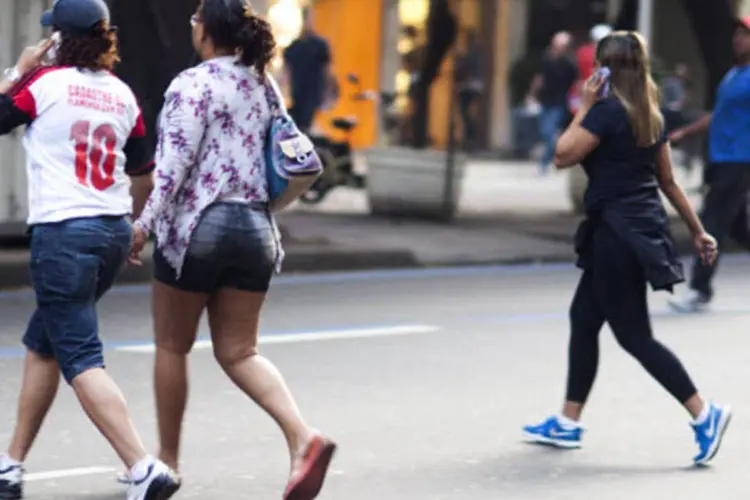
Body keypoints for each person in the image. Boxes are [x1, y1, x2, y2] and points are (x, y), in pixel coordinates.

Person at [127, 1, 337, 498]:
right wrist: (268, 207)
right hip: (256, 229)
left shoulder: (191, 84)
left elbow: (173, 168)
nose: (191, 25)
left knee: (172, 346)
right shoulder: (263, 85)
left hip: (199, 226)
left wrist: (143, 225)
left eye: (196, 19)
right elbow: (297, 156)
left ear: (206, 33)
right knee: (241, 352)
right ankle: (302, 437)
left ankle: (169, 461)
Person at [522, 31, 731, 466]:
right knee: (583, 319)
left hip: (617, 235)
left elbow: (562, 155)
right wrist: (698, 231)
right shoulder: (647, 113)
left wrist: (583, 107)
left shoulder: (606, 113)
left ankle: (704, 413)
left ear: (605, 68)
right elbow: (667, 181)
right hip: (633, 231)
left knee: (634, 337)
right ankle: (569, 421)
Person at [0, 0, 180, 499]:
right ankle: (10, 466)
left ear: (59, 39)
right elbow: (143, 170)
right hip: (111, 231)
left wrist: (19, 69)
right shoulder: (123, 95)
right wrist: (133, 227)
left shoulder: (43, 86)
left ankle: (144, 468)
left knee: (79, 354)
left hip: (63, 234)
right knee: (46, 344)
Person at [667, 17, 750, 312]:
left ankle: (699, 290)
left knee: (711, 222)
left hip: (739, 160)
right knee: (739, 227)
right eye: (738, 34)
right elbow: (718, 115)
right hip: (719, 157)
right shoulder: (733, 75)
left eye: (746, 35)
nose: (739, 39)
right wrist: (684, 132)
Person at [282, 7, 332, 133]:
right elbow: (286, 71)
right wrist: (285, 92)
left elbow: (327, 70)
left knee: (307, 124)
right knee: (298, 125)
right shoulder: (293, 47)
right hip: (297, 92)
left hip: (314, 91)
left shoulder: (320, 45)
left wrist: (327, 91)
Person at [537, 31, 578, 174]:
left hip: (560, 102)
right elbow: (540, 77)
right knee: (544, 132)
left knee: (549, 132)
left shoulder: (569, 63)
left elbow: (575, 83)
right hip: (546, 100)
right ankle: (550, 158)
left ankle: (545, 162)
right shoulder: (546, 58)